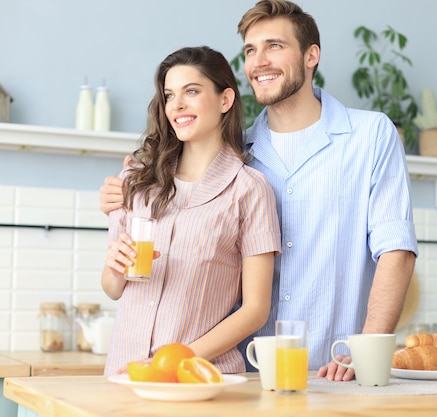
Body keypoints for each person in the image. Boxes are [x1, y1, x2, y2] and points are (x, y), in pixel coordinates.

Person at [100, 0, 417, 381]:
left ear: (311, 55)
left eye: (275, 46)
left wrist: (365, 351)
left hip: (334, 369)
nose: (259, 61)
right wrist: (125, 197)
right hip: (247, 374)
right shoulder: (238, 159)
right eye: (251, 50)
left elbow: (396, 252)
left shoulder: (370, 136)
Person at [102, 46, 281, 376]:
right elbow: (113, 290)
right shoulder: (136, 178)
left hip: (200, 377)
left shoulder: (249, 189)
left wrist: (180, 358)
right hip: (126, 375)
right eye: (169, 95)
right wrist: (114, 269)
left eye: (192, 91)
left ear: (225, 100)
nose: (177, 105)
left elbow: (256, 309)